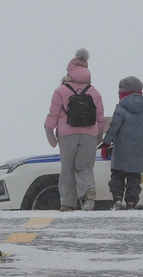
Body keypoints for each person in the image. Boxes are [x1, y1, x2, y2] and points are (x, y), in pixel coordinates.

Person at [43, 51, 106, 211]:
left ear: (69, 70)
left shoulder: (61, 90)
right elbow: (100, 117)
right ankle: (88, 191)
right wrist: (99, 135)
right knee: (85, 167)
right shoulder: (94, 92)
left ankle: (67, 203)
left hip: (67, 135)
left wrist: (49, 131)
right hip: (89, 135)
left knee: (67, 169)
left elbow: (53, 113)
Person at [101, 76, 143, 210]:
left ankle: (117, 199)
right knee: (134, 178)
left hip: (121, 149)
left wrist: (106, 143)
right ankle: (131, 202)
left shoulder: (121, 108)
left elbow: (113, 128)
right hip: (138, 150)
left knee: (117, 176)